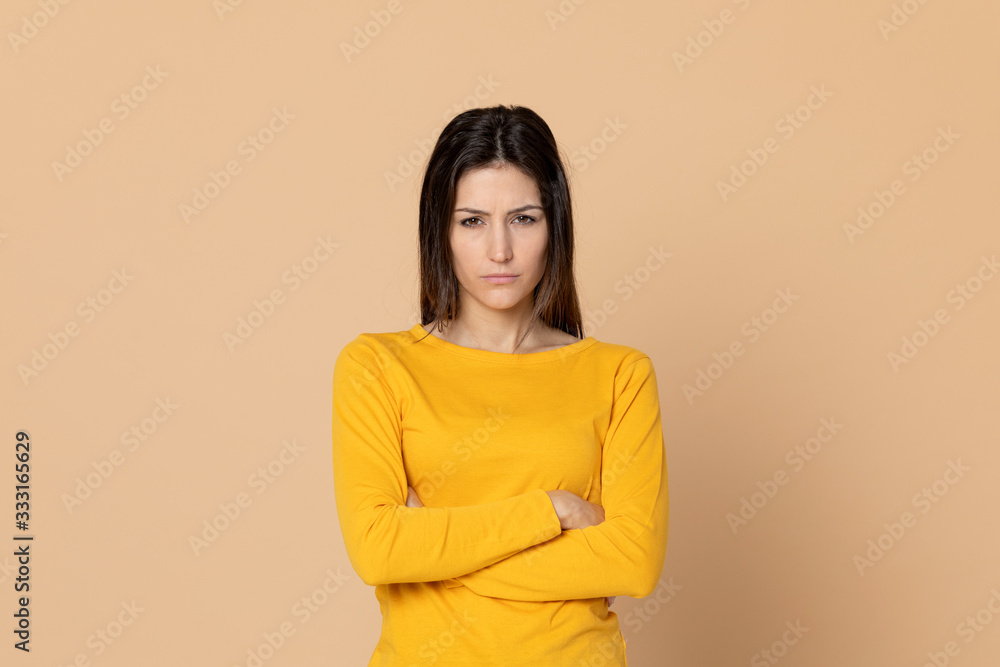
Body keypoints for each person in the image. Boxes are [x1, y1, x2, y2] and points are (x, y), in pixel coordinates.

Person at [332, 104, 668, 665]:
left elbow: (633, 561)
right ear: (439, 231)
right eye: (472, 221)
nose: (500, 251)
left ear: (554, 224)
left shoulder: (620, 375)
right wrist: (554, 512)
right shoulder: (376, 366)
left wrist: (436, 549)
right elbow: (379, 551)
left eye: (523, 218)